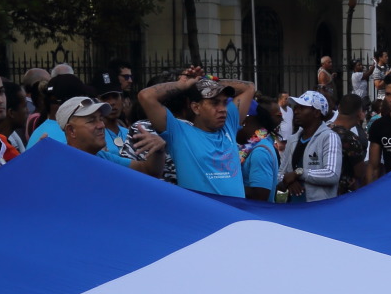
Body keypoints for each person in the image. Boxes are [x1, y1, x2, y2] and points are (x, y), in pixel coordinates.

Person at [136, 67, 257, 196]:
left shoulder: (229, 125)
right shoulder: (179, 133)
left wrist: (207, 80)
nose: (222, 109)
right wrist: (183, 85)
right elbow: (146, 96)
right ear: (196, 108)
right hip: (200, 209)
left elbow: (249, 87)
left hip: (235, 209)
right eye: (214, 103)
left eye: (224, 103)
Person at [278, 91, 343, 202]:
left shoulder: (329, 137)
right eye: (296, 107)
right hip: (294, 207)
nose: (296, 111)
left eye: (302, 108)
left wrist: (298, 174)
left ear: (316, 113)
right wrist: (288, 181)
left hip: (319, 207)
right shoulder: (293, 139)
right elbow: (280, 173)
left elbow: (332, 174)